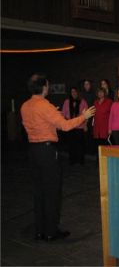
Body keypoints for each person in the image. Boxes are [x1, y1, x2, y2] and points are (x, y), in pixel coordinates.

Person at [21, 73, 95, 241]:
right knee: (52, 192)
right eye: (47, 85)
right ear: (43, 87)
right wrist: (84, 116)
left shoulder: (25, 106)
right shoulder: (45, 105)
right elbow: (65, 126)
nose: (48, 87)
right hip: (47, 152)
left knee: (38, 192)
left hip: (33, 151)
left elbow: (36, 122)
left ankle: (40, 230)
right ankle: (51, 232)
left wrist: (52, 114)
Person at [62, 87, 88, 165]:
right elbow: (63, 113)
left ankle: (80, 161)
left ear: (78, 92)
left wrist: (85, 125)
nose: (73, 93)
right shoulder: (67, 102)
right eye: (72, 92)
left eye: (75, 91)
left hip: (80, 126)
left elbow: (87, 114)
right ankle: (72, 160)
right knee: (71, 145)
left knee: (80, 145)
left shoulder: (83, 102)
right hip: (70, 126)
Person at [81, 79, 96, 155]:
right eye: (85, 84)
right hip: (83, 116)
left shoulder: (93, 94)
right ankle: (86, 150)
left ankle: (92, 150)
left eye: (87, 84)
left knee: (91, 133)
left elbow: (94, 105)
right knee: (85, 134)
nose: (86, 86)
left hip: (92, 116)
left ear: (90, 85)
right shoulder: (82, 95)